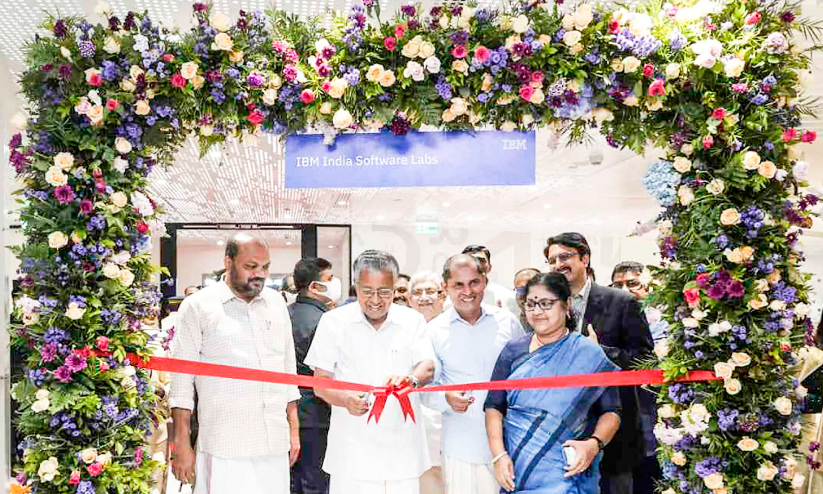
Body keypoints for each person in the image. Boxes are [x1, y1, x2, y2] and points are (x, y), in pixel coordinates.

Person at [169, 233, 301, 494]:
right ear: (228, 262)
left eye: (265, 267)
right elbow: (182, 384)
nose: (260, 274)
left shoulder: (276, 303)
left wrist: (293, 430)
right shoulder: (198, 306)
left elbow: (288, 371)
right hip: (224, 445)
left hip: (273, 443)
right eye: (251, 266)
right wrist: (181, 444)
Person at [305, 250, 436, 494]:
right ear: (356, 286)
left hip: (402, 448)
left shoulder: (412, 320)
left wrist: (410, 379)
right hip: (352, 451)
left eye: (384, 291)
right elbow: (320, 383)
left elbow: (427, 367)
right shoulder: (334, 322)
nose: (375, 300)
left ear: (395, 287)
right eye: (367, 291)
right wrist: (345, 399)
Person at [484, 272, 621, 494]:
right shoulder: (513, 350)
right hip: (517, 470)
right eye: (530, 304)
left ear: (567, 304)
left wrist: (593, 444)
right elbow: (494, 406)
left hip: (567, 472)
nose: (537, 312)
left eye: (546, 304)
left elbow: (611, 411)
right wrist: (499, 455)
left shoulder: (589, 354)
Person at [544, 233, 653, 494]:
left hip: (613, 434)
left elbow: (646, 361)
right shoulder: (545, 306)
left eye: (565, 257)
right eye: (552, 260)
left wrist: (601, 352)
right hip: (560, 432)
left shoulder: (621, 302)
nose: (558, 264)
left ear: (585, 259)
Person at [424, 254, 526, 494]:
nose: (467, 291)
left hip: (512, 444)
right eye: (458, 285)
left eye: (474, 283)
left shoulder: (507, 322)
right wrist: (445, 398)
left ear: (485, 282)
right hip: (463, 449)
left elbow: (526, 373)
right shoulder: (433, 331)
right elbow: (423, 390)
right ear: (445, 287)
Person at [290, 257, 341, 494]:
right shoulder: (326, 321)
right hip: (318, 411)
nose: (335, 283)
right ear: (314, 286)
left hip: (289, 410)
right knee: (316, 481)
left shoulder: (285, 314)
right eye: (329, 279)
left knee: (292, 481)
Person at [610, 261, 659, 494]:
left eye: (632, 283)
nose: (625, 290)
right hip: (621, 416)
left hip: (656, 413)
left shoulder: (665, 321)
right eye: (617, 285)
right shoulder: (611, 322)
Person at [408, 271, 448, 494]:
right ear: (409, 299)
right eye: (417, 292)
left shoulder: (452, 327)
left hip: (447, 417)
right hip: (412, 418)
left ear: (442, 295)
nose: (424, 297)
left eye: (430, 291)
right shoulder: (403, 328)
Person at [459, 245, 518, 315]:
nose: (475, 265)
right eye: (469, 261)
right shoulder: (453, 299)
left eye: (480, 260)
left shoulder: (507, 297)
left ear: (489, 267)